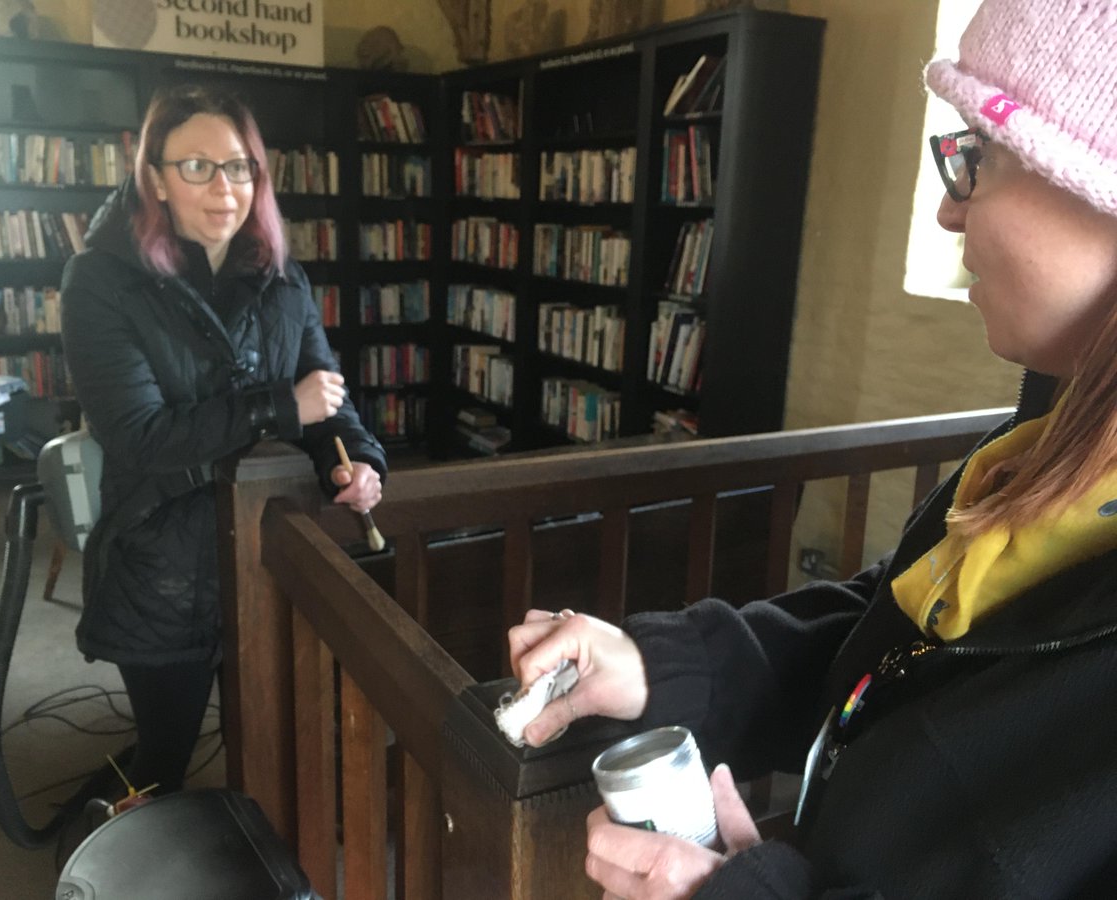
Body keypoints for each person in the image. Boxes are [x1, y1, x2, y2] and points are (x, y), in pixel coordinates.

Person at [508, 1, 1117, 896]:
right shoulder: (1054, 436)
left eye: (974, 160)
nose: (949, 213)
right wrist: (669, 669)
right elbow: (906, 640)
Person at [60, 84, 386, 797]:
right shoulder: (99, 282)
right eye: (197, 167)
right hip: (161, 567)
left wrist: (359, 460)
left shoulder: (281, 277)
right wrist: (278, 408)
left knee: (270, 738)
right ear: (154, 177)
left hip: (265, 546)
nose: (223, 187)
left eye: (239, 167)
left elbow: (325, 398)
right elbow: (140, 437)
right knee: (166, 755)